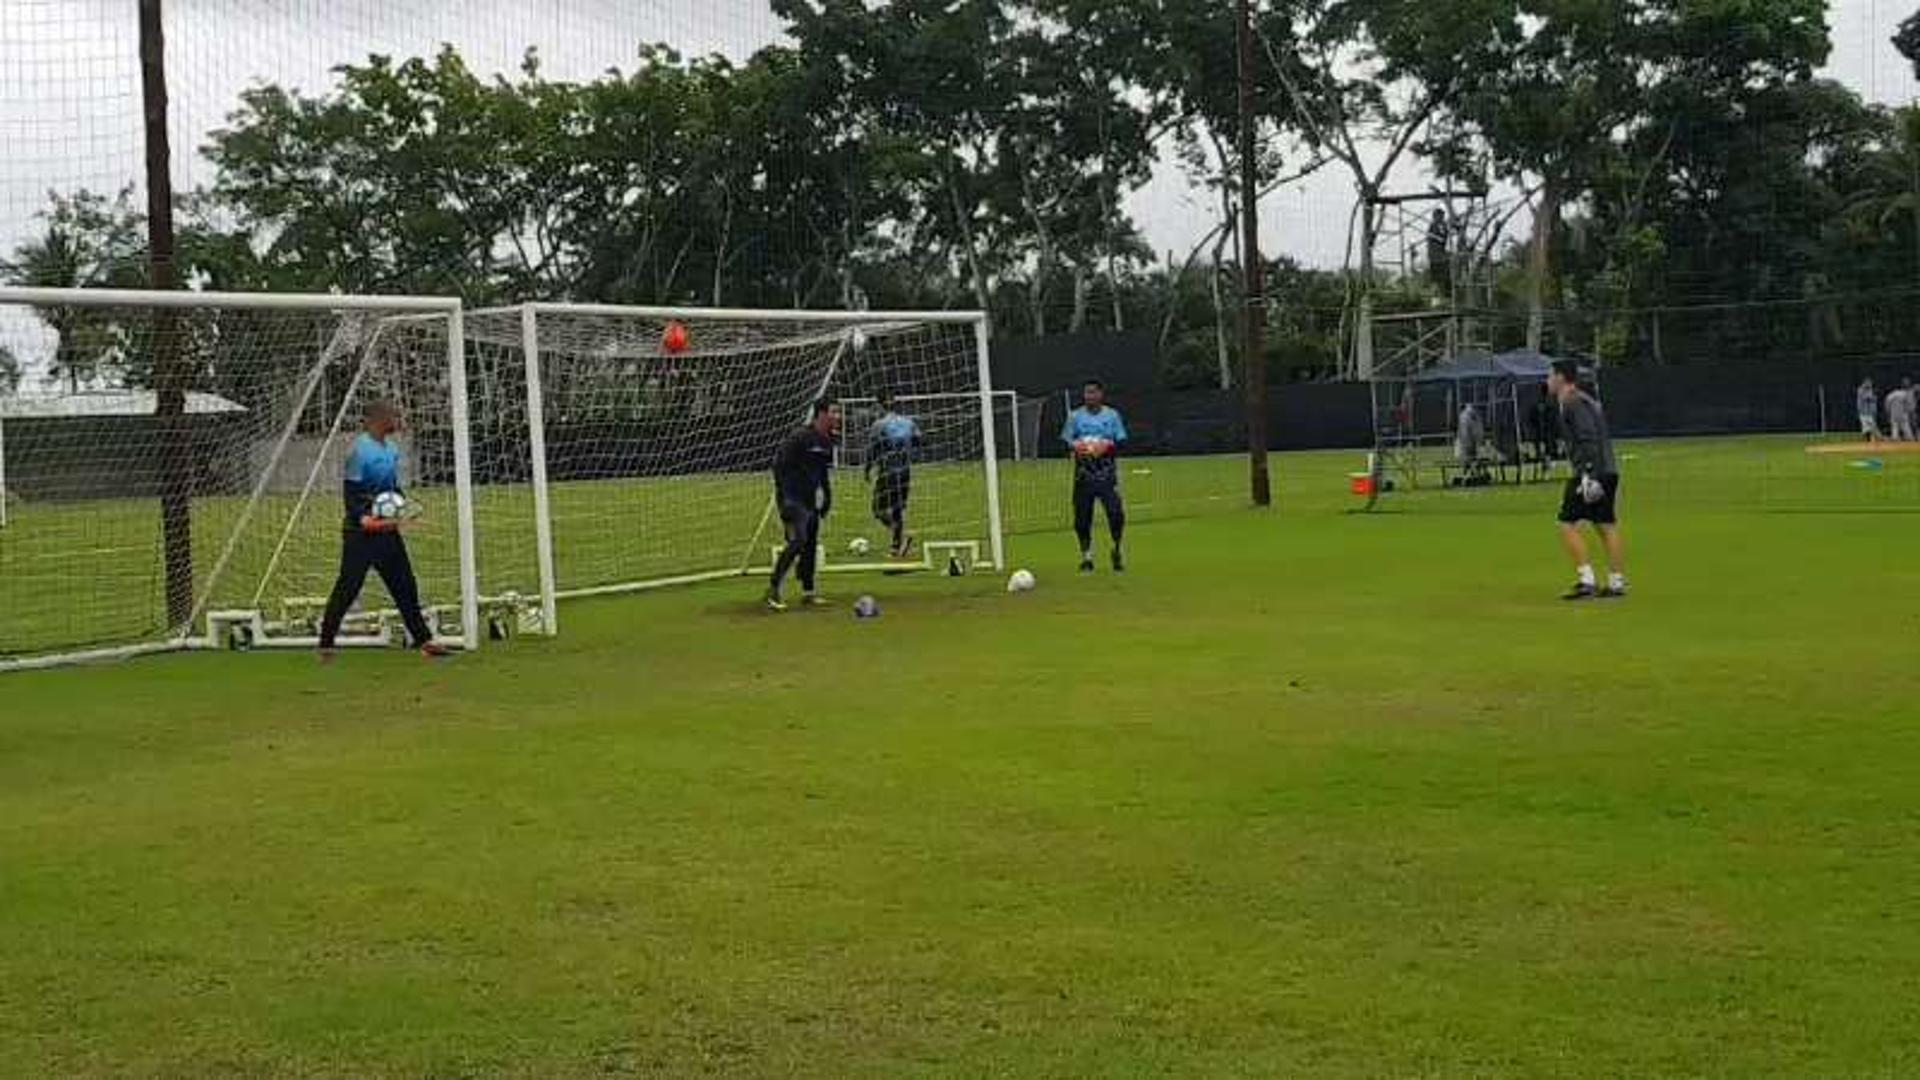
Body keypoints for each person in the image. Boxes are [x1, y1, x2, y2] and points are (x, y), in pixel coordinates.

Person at [318, 401, 448, 659]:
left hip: (387, 532)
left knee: (405, 585)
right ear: (377, 420)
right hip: (361, 536)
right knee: (348, 587)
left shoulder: (391, 449)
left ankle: (424, 642)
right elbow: (351, 491)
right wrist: (362, 517)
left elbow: (391, 488)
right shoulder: (359, 451)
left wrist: (405, 506)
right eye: (393, 416)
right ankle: (325, 643)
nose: (397, 420)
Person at [1548, 360, 1627, 601]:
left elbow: (1587, 437)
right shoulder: (1585, 400)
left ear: (1561, 378)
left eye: (1550, 376)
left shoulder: (1573, 402)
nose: (1547, 381)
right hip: (1607, 469)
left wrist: (1588, 474)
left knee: (1566, 522)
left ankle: (1586, 580)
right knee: (1605, 524)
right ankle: (1616, 582)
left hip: (1592, 471)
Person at [767, 399, 841, 611]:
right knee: (798, 540)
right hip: (792, 499)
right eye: (834, 412)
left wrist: (827, 496)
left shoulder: (828, 441)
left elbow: (822, 472)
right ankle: (773, 589)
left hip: (810, 500)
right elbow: (778, 465)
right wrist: (785, 496)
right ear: (820, 414)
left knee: (810, 543)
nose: (838, 417)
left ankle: (808, 592)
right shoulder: (799, 437)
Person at [1061, 379, 1129, 572]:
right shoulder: (1075, 417)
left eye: (1092, 392)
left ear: (1101, 394)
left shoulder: (1112, 415)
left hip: (1106, 473)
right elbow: (1067, 439)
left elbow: (1122, 440)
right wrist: (1076, 445)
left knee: (1115, 513)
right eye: (1086, 393)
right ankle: (1086, 556)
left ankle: (1116, 548)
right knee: (1082, 517)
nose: (1089, 396)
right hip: (1083, 474)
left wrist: (1107, 446)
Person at [864, 393, 922, 558]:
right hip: (904, 472)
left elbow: (872, 449)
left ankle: (900, 537)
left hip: (887, 472)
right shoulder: (908, 422)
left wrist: (867, 469)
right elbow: (919, 440)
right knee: (897, 509)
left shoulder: (879, 425)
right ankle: (897, 548)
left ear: (880, 406)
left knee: (877, 509)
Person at [1455, 402, 1486, 481]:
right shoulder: (1470, 417)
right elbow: (1475, 431)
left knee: (1472, 459)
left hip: (1468, 442)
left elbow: (1476, 431)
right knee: (1471, 459)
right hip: (1468, 443)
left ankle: (1472, 474)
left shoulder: (1465, 416)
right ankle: (1471, 475)